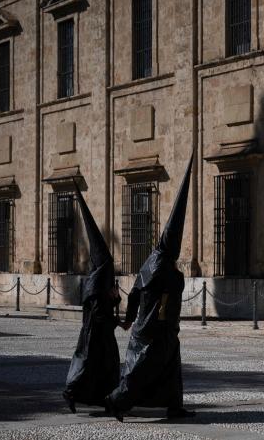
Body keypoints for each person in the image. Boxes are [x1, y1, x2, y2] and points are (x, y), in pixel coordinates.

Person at [106, 154, 195, 422]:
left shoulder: (152, 261)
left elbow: (134, 292)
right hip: (155, 332)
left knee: (170, 369)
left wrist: (128, 319)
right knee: (143, 370)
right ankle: (116, 401)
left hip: (161, 329)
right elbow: (174, 287)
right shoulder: (164, 266)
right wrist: (131, 321)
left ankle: (173, 407)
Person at [63, 180, 121, 413]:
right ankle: (70, 392)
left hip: (102, 334)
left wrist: (115, 300)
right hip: (94, 336)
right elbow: (98, 313)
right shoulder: (96, 282)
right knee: (89, 366)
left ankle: (105, 399)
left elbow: (104, 306)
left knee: (105, 368)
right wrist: (117, 319)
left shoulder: (99, 280)